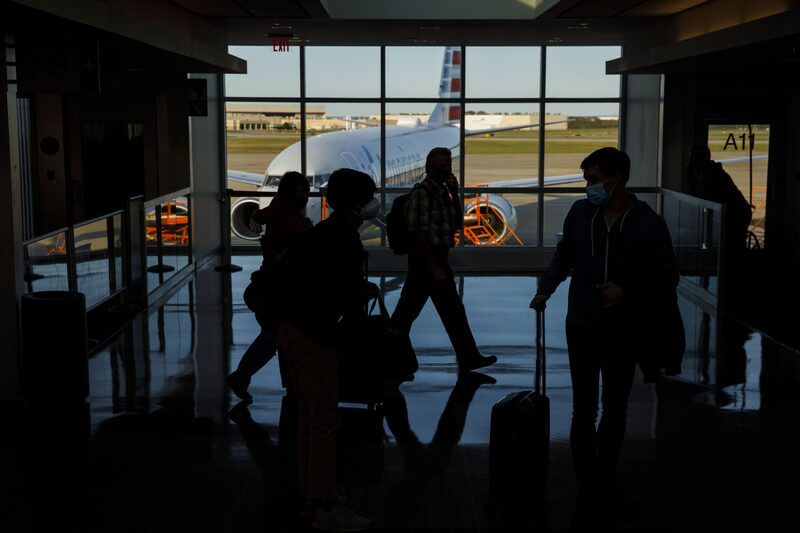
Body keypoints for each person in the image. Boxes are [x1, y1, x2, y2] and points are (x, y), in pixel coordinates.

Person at [529, 147, 680, 519]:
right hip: (582, 326)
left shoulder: (650, 224)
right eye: (587, 180)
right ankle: (587, 486)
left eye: (593, 180)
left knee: (614, 411)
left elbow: (666, 276)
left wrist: (627, 291)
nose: (588, 187)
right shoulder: (581, 214)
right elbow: (565, 253)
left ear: (616, 180)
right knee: (583, 411)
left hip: (623, 331)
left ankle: (604, 479)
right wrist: (546, 288)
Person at [274, 168, 379, 531]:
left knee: (309, 419)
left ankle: (312, 499)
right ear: (356, 204)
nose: (373, 203)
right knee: (324, 423)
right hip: (313, 337)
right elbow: (346, 302)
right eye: (368, 198)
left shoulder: (322, 232)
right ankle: (325, 506)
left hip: (292, 330)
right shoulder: (345, 241)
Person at [391, 147, 496, 374]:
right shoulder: (422, 195)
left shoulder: (442, 193)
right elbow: (418, 234)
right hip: (426, 261)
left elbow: (457, 223)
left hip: (437, 259)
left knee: (425, 314)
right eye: (440, 166)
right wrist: (434, 268)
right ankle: (389, 357)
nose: (445, 170)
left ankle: (468, 357)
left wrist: (455, 194)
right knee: (412, 315)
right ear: (429, 168)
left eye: (448, 166)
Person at [226, 171, 312, 403]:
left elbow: (258, 215)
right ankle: (242, 376)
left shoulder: (277, 207)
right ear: (289, 193)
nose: (305, 196)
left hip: (271, 284)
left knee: (278, 335)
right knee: (275, 335)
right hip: (279, 288)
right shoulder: (287, 214)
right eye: (300, 191)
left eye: (305, 191)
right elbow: (305, 235)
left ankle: (279, 382)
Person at [685, 145, 753, 260]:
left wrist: (689, 179)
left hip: (735, 215)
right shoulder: (710, 170)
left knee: (731, 252)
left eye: (693, 157)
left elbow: (700, 197)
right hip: (737, 213)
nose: (691, 161)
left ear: (702, 158)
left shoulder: (708, 171)